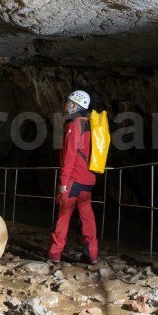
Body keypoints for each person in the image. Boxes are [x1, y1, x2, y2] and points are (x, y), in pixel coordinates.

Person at [47, 90, 99, 264]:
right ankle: (92, 254)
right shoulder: (91, 125)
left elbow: (69, 155)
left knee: (64, 215)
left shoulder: (74, 125)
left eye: (69, 102)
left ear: (75, 105)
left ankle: (55, 254)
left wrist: (63, 181)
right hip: (88, 180)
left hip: (73, 179)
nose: (66, 104)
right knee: (87, 217)